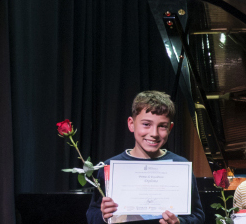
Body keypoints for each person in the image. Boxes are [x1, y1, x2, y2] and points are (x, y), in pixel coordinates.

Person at [87, 90, 205, 224]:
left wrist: (180, 222)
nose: (154, 133)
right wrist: (103, 215)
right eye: (146, 124)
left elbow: (198, 216)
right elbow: (92, 215)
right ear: (131, 124)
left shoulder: (180, 166)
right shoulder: (110, 167)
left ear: (170, 128)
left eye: (162, 126)